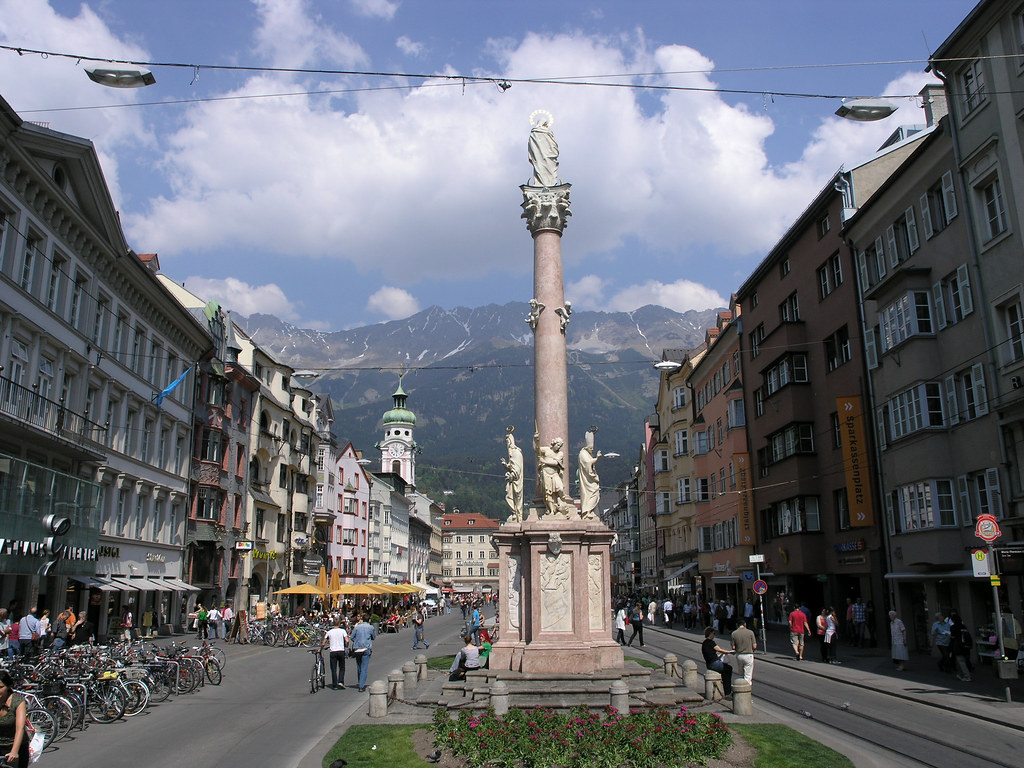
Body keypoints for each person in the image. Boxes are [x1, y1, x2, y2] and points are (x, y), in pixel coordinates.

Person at [0, 670, 29, 768]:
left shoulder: (17, 700)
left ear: (8, 687)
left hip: (16, 746)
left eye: (1, 687)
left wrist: (14, 751)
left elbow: (20, 728)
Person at [701, 627, 734, 696]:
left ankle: (724, 688)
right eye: (714, 633)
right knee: (728, 669)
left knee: (725, 670)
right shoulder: (711, 642)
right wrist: (729, 652)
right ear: (710, 633)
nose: (714, 635)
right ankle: (728, 691)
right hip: (714, 664)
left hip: (709, 664)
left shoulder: (704, 643)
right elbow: (719, 650)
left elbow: (711, 654)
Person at [577, 430, 602, 519]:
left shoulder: (587, 453)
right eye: (591, 448)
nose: (592, 450)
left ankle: (590, 511)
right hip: (588, 480)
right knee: (593, 493)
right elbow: (588, 463)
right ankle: (587, 511)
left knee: (595, 493)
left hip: (590, 479)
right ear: (587, 447)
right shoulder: (583, 453)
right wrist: (597, 458)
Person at [320, 617, 351, 689]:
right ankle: (340, 681)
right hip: (341, 650)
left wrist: (321, 649)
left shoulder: (329, 632)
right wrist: (346, 646)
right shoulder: (342, 631)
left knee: (333, 668)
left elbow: (324, 642)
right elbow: (347, 640)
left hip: (333, 651)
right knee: (342, 667)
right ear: (339, 623)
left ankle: (334, 685)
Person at [349, 614, 376, 692]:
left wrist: (357, 641)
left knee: (359, 666)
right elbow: (373, 637)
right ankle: (361, 685)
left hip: (357, 648)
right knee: (364, 668)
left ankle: (360, 681)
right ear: (369, 620)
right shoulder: (371, 627)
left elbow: (352, 637)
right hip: (366, 648)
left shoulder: (357, 627)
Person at [502, 429, 524, 522]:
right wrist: (506, 465)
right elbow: (513, 467)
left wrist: (512, 476)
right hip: (512, 480)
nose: (507, 444)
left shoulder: (516, 453)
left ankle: (518, 515)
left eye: (508, 442)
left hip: (516, 481)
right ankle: (514, 513)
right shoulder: (512, 454)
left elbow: (517, 469)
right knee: (509, 496)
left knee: (517, 497)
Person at [948, 611, 973, 682]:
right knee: (963, 660)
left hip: (958, 646)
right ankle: (960, 674)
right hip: (966, 646)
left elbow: (953, 636)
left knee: (961, 661)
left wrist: (948, 635)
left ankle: (967, 676)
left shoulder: (953, 627)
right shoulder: (963, 626)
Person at [731, 617, 758, 683]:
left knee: (741, 673)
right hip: (748, 654)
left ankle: (741, 686)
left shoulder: (734, 633)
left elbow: (733, 647)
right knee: (748, 675)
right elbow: (754, 646)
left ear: (737, 625)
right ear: (745, 624)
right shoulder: (750, 632)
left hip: (739, 655)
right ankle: (746, 689)